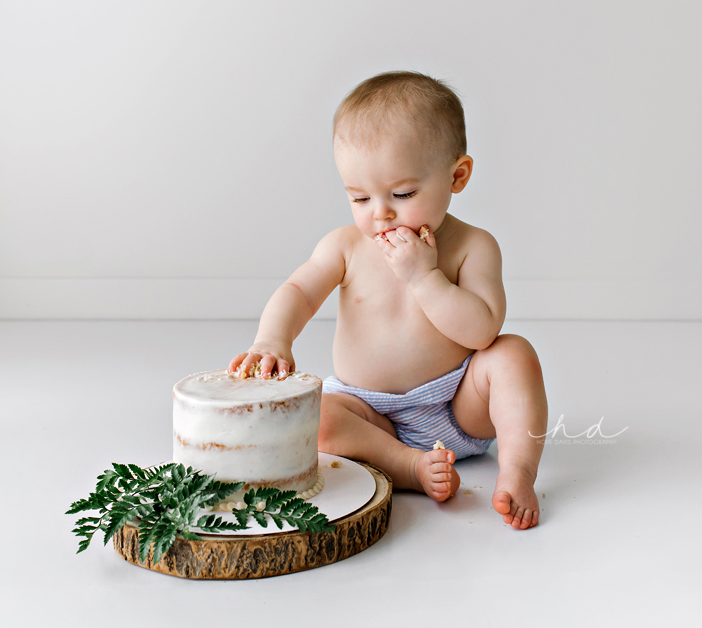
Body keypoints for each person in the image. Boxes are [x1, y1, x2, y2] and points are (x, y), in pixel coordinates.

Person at [228, 71, 548, 529]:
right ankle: (407, 466)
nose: (381, 213)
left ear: (457, 176)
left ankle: (517, 471)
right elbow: (298, 291)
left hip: (459, 404)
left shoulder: (473, 246)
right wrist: (272, 339)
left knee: (513, 354)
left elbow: (482, 331)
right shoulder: (345, 246)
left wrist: (425, 277)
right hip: (369, 414)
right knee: (317, 418)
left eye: (403, 193)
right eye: (360, 198)